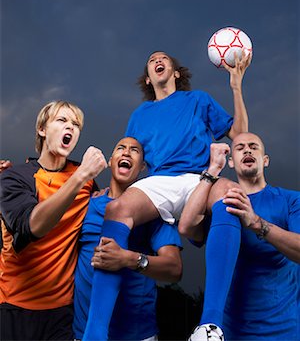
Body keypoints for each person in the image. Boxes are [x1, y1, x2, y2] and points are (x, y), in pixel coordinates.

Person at [83, 50, 251, 341]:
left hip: (201, 177)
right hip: (159, 181)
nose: (158, 60)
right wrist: (112, 190)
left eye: (164, 59)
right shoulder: (140, 115)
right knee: (117, 209)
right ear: (148, 79)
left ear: (175, 73)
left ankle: (210, 326)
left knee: (230, 194)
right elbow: (131, 158)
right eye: (151, 60)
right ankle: (94, 335)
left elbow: (239, 134)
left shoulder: (197, 99)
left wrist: (236, 86)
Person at [0, 100, 107, 341]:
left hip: (61, 313)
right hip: (14, 307)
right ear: (42, 129)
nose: (71, 127)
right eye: (62, 120)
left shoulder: (87, 182)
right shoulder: (15, 177)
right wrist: (80, 176)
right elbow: (33, 227)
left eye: (76, 124)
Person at [180, 132, 300, 340]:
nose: (247, 149)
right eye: (240, 147)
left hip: (284, 330)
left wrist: (256, 223)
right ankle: (208, 327)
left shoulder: (291, 200)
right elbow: (186, 227)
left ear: (265, 160)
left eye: (254, 146)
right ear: (231, 162)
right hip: (229, 332)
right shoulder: (220, 203)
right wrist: (213, 170)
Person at [73, 136, 182, 341]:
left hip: (137, 335)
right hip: (84, 333)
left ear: (142, 167)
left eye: (134, 150)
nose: (126, 152)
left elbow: (174, 269)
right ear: (111, 160)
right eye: (120, 148)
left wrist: (128, 259)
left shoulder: (156, 212)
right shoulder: (87, 204)